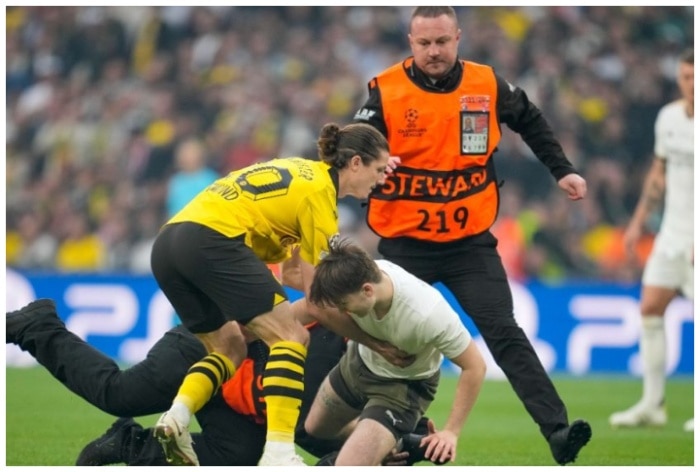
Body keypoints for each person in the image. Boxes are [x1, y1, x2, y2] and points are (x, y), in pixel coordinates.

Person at [351, 6, 591, 465]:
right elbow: (355, 146)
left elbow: (532, 120)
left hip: (468, 243)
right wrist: (378, 160)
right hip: (405, 245)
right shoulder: (384, 90)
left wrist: (562, 170)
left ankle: (558, 432)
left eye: (442, 42)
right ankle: (327, 429)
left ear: (458, 37)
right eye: (424, 44)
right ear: (410, 41)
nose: (434, 52)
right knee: (360, 334)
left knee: (504, 332)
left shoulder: (487, 84)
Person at [149, 121, 400, 466]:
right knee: (292, 337)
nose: (381, 179)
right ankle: (279, 454)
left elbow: (294, 274)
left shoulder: (301, 173)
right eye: (377, 169)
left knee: (231, 346)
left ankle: (177, 416)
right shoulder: (320, 198)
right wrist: (377, 342)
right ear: (355, 163)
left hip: (168, 245)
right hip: (215, 239)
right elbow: (319, 302)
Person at [6, 298, 430, 466]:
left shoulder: (352, 364)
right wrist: (389, 442)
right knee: (119, 393)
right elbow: (311, 431)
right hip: (209, 347)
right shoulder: (331, 350)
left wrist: (402, 440)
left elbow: (327, 429)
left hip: (240, 397)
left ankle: (131, 444)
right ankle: (37, 327)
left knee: (238, 458)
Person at [304, 239, 486, 466]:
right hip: (360, 361)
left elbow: (475, 366)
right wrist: (376, 345)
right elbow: (315, 307)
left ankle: (378, 440)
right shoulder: (357, 278)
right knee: (315, 428)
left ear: (367, 291)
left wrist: (451, 432)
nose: (341, 311)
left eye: (344, 304)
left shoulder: (428, 314)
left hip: (403, 386)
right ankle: (396, 442)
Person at [609, 49, 694, 432]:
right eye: (683, 77)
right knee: (650, 309)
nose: (688, 85)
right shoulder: (669, 117)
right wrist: (639, 222)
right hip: (672, 234)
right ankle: (653, 403)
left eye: (694, 78)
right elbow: (659, 173)